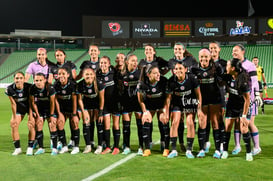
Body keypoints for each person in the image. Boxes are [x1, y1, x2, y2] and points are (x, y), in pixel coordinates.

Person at [164, 62, 203, 159]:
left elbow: (198, 95)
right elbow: (168, 99)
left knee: (190, 122)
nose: (178, 71)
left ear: (186, 69)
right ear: (173, 71)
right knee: (175, 122)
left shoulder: (192, 79)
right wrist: (166, 112)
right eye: (176, 69)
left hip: (190, 102)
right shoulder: (171, 81)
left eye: (180, 68)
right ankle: (173, 150)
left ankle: (189, 150)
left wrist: (199, 109)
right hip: (177, 103)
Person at [192, 48, 224, 158]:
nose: (204, 58)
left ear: (210, 57)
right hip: (202, 101)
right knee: (202, 123)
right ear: (199, 57)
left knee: (215, 123)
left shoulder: (216, 68)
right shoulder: (194, 69)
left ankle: (217, 150)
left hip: (215, 100)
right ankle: (201, 149)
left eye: (206, 56)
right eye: (202, 56)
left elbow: (222, 84)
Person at [232, 44, 262, 156]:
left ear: (242, 52)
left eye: (236, 51)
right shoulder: (233, 64)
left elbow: (254, 82)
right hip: (237, 98)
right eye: (233, 51)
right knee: (237, 122)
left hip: (249, 98)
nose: (233, 53)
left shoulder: (249, 65)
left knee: (249, 123)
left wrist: (257, 95)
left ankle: (257, 147)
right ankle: (237, 146)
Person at [168, 42, 198, 152]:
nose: (177, 51)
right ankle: (179, 143)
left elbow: (196, 72)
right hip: (177, 94)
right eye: (175, 49)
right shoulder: (171, 62)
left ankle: (189, 147)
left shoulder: (191, 60)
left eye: (180, 49)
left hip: (190, 94)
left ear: (184, 50)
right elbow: (164, 72)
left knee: (190, 121)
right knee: (176, 121)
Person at [221, 58, 253, 161]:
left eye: (228, 65)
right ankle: (225, 151)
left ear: (233, 68)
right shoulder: (228, 76)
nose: (226, 67)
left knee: (243, 128)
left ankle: (248, 153)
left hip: (243, 106)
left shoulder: (243, 80)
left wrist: (243, 116)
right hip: (231, 105)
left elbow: (247, 100)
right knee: (227, 127)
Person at [137, 65, 170, 157]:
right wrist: (145, 112)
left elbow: (167, 98)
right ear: (148, 75)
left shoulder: (163, 81)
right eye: (155, 73)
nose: (158, 75)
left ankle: (166, 147)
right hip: (149, 106)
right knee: (146, 121)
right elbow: (141, 100)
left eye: (158, 72)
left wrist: (165, 111)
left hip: (161, 105)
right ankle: (147, 148)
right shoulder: (142, 84)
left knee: (164, 121)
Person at [5, 72, 35, 156]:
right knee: (13, 124)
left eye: (21, 78)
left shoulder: (29, 87)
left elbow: (31, 102)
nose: (19, 80)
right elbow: (13, 104)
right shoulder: (9, 89)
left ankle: (30, 147)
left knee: (31, 125)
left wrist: (31, 116)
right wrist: (14, 117)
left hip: (29, 107)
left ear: (24, 79)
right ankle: (17, 149)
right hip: (19, 109)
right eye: (17, 78)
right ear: (14, 79)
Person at [118, 54, 143, 155]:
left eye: (136, 61)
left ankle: (141, 147)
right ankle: (126, 146)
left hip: (137, 103)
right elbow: (119, 89)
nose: (135, 63)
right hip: (126, 103)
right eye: (133, 61)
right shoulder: (122, 74)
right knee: (126, 126)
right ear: (127, 62)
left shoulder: (140, 73)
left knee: (140, 126)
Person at [96, 56, 121, 155]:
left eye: (105, 63)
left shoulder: (114, 72)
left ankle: (116, 146)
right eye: (101, 63)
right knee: (106, 125)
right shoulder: (97, 74)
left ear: (109, 64)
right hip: (104, 104)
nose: (103, 65)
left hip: (115, 103)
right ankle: (107, 147)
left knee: (115, 125)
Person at [29, 73, 58, 155]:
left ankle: (55, 148)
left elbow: (52, 102)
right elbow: (32, 102)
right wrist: (37, 115)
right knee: (39, 124)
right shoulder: (32, 88)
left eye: (40, 80)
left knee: (52, 125)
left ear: (45, 80)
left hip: (50, 108)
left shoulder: (50, 88)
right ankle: (41, 148)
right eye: (36, 80)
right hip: (40, 108)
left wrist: (52, 115)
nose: (38, 82)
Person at [77, 68, 104, 154]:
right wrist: (84, 112)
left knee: (99, 123)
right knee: (86, 122)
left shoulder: (99, 84)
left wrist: (100, 112)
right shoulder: (80, 84)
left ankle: (100, 145)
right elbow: (80, 100)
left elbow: (102, 99)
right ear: (83, 75)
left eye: (91, 74)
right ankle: (88, 145)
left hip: (96, 105)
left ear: (94, 75)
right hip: (86, 106)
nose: (89, 76)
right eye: (86, 74)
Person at [206, 41, 227, 153]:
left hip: (220, 95)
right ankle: (207, 142)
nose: (212, 50)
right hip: (207, 96)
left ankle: (222, 143)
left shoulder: (224, 63)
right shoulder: (205, 63)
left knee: (219, 120)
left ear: (219, 49)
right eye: (210, 48)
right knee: (206, 120)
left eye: (214, 48)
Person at [54, 67, 80, 154]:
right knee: (59, 123)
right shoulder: (56, 85)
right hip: (63, 109)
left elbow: (74, 100)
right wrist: (59, 113)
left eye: (63, 74)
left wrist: (74, 113)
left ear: (68, 75)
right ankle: (64, 146)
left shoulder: (73, 85)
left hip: (73, 108)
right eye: (59, 74)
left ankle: (76, 147)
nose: (61, 76)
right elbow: (56, 100)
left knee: (74, 123)